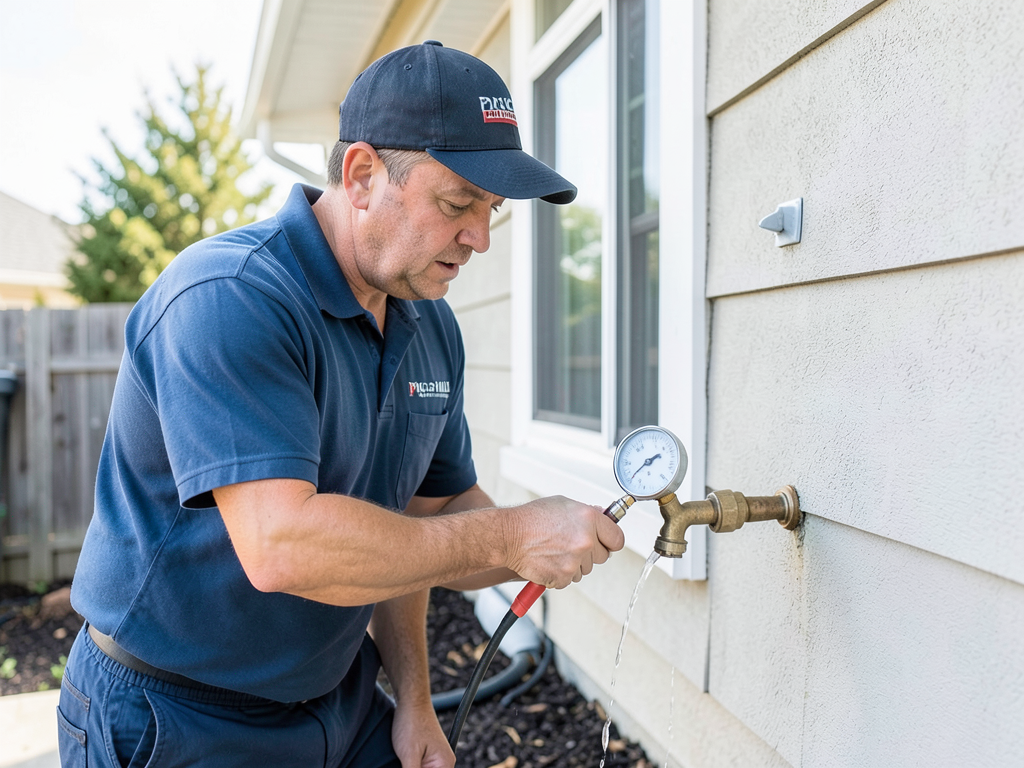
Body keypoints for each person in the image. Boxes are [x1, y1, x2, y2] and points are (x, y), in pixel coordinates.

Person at [59, 40, 624, 768]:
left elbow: (420, 521)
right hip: (175, 715)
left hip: (338, 697)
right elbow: (283, 545)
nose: (479, 238)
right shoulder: (231, 297)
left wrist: (415, 697)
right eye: (458, 203)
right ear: (361, 175)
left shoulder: (428, 325)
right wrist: (510, 537)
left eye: (491, 210)